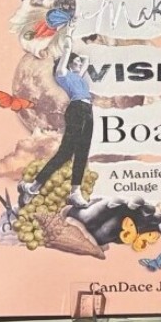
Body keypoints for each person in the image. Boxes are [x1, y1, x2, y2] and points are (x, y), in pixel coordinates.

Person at [33, 47, 95, 207]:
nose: (79, 63)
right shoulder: (63, 75)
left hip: (88, 110)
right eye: (76, 62)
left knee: (82, 152)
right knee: (65, 153)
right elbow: (65, 61)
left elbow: (86, 60)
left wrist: (78, 56)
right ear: (68, 63)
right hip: (77, 110)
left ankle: (75, 192)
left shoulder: (78, 76)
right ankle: (35, 185)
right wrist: (67, 46)